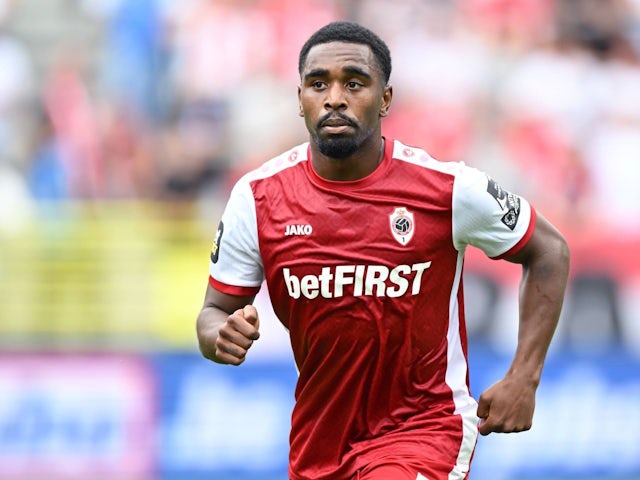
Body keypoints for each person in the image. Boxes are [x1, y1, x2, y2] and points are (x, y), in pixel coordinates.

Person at [196, 21, 570, 480]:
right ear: (299, 100)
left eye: (354, 82)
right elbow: (213, 312)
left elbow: (549, 250)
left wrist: (524, 377)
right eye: (318, 84)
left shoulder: (448, 189)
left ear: (385, 99)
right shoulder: (256, 198)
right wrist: (221, 335)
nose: (335, 97)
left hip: (425, 430)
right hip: (319, 443)